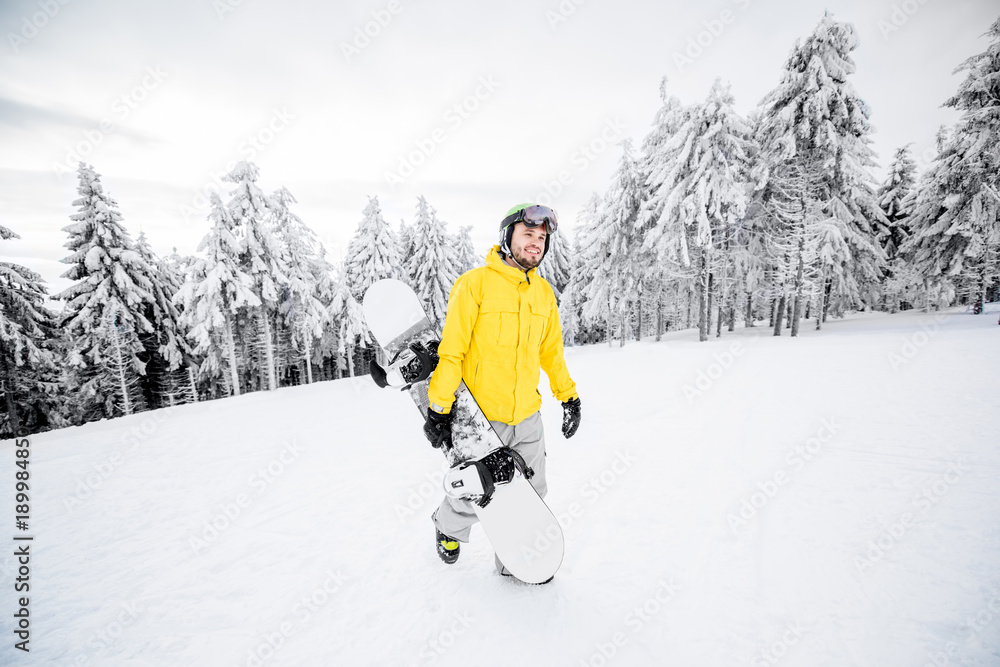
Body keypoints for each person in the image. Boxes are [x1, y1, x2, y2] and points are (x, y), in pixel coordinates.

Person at [423, 203, 581, 578]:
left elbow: (551, 354)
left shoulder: (543, 295)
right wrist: (440, 407)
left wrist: (568, 396)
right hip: (482, 418)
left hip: (527, 415)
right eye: (528, 235)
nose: (536, 244)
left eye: (542, 238)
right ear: (507, 237)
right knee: (480, 490)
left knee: (531, 493)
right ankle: (448, 525)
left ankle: (515, 558)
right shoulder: (474, 284)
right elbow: (453, 351)